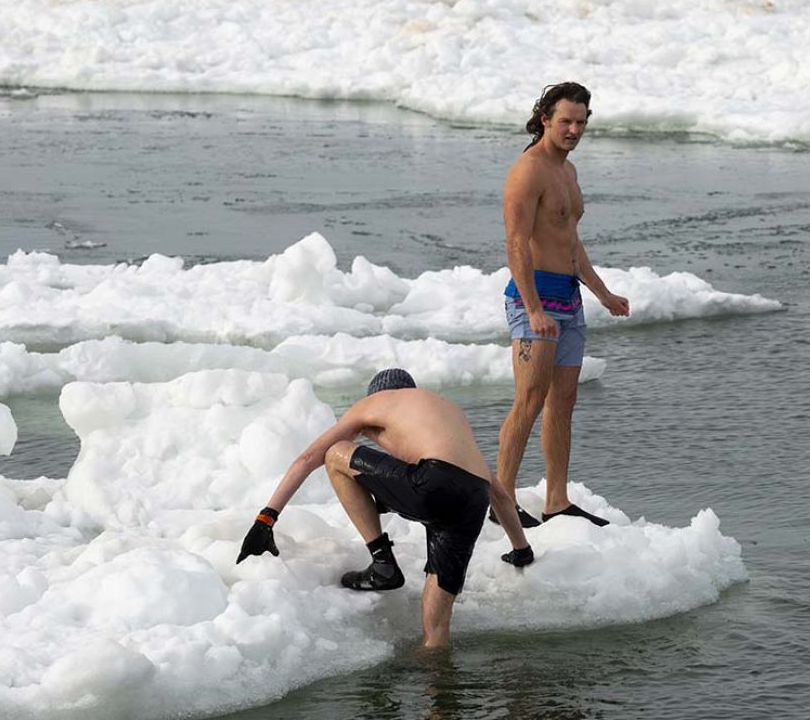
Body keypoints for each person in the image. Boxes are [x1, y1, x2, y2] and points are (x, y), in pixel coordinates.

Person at [236, 368, 534, 648]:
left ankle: (382, 562)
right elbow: (502, 497)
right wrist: (521, 550)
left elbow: (308, 458)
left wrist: (266, 519)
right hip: (473, 497)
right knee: (436, 626)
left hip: (432, 483)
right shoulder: (443, 414)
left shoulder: (375, 403)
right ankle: (439, 692)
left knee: (335, 454)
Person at [493, 82, 631, 529]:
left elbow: (569, 239)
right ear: (545, 119)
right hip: (534, 298)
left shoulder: (567, 172)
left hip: (569, 298)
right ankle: (502, 499)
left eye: (581, 122)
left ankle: (556, 499)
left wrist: (602, 292)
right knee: (529, 399)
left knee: (563, 402)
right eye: (566, 121)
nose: (574, 129)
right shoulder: (527, 172)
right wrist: (533, 308)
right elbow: (516, 244)